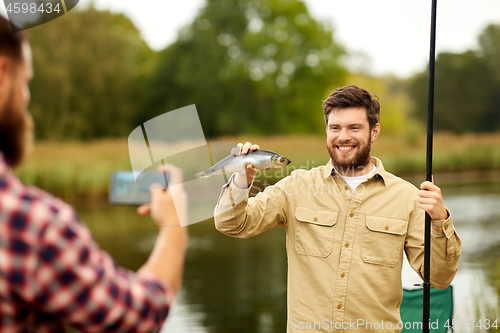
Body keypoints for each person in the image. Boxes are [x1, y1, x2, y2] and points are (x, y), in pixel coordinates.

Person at [214, 85, 461, 332]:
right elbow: (232, 224)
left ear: (374, 131)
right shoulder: (296, 186)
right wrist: (241, 179)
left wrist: (440, 219)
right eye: (335, 128)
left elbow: (439, 277)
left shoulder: (407, 197)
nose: (343, 137)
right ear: (327, 130)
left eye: (354, 128)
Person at [0, 15, 188, 332]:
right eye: (26, 82)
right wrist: (174, 227)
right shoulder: (33, 226)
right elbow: (140, 315)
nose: (25, 98)